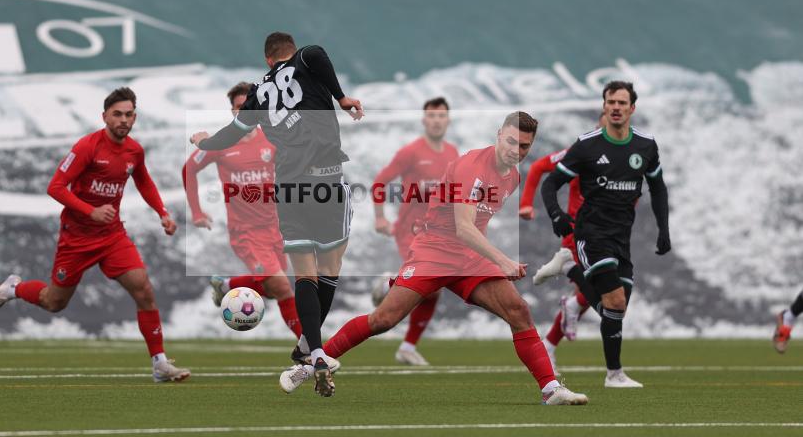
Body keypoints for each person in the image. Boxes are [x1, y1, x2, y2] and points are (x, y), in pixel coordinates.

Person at [283, 111, 589, 405]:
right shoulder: (472, 167)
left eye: (524, 146)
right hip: (434, 250)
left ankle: (550, 389)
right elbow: (464, 227)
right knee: (384, 319)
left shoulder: (513, 177)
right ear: (499, 136)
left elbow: (476, 225)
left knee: (518, 310)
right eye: (511, 141)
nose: (516, 150)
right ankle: (309, 366)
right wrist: (502, 261)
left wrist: (490, 262)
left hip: (468, 258)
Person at [190, 32, 363, 397]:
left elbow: (229, 135)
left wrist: (203, 141)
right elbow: (317, 52)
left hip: (289, 189)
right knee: (329, 268)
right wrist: (341, 97)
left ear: (267, 61)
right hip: (326, 182)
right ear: (290, 52)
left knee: (304, 275)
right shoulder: (304, 61)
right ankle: (309, 347)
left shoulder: (257, 94)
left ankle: (312, 351)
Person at [0, 88, 189, 383]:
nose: (123, 120)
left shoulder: (134, 151)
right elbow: (55, 187)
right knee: (54, 302)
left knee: (143, 289)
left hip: (112, 235)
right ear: (104, 116)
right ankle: (14, 289)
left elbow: (144, 181)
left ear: (135, 118)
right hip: (77, 237)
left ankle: (159, 364)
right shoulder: (87, 147)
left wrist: (162, 212)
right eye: (117, 114)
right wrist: (90, 211)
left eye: (129, 114)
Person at [541, 81, 670, 388]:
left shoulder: (646, 146)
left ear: (632, 108)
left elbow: (658, 188)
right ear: (603, 106)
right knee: (614, 300)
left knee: (616, 307)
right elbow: (550, 183)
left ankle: (570, 269)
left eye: (622, 103)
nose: (615, 107)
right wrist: (557, 215)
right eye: (610, 102)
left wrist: (663, 229)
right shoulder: (587, 145)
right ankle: (614, 374)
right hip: (591, 232)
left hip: (621, 236)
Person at [182, 82, 301, 338]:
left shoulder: (272, 139)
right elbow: (189, 169)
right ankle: (312, 350)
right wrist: (197, 212)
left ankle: (226, 285)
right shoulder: (221, 142)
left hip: (275, 229)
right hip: (246, 232)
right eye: (239, 107)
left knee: (271, 290)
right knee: (283, 288)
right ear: (233, 111)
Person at [370, 97, 459, 366]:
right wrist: (380, 218)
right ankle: (388, 285)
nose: (436, 121)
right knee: (429, 282)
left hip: (438, 233)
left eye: (441, 116)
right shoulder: (410, 152)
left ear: (448, 120)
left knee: (434, 289)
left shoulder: (452, 153)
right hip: (410, 231)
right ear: (424, 120)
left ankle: (407, 347)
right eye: (431, 116)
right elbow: (380, 182)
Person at [518, 115, 604, 374]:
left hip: (607, 235)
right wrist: (526, 203)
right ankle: (567, 276)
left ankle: (550, 344)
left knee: (596, 292)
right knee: (602, 291)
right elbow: (538, 167)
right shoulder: (580, 152)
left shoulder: (625, 157)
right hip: (579, 233)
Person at [773, 289, 803, 353]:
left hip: (791, 314)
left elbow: (781, 317)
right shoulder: (785, 335)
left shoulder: (780, 333)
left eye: (781, 346)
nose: (783, 346)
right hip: (792, 314)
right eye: (783, 347)